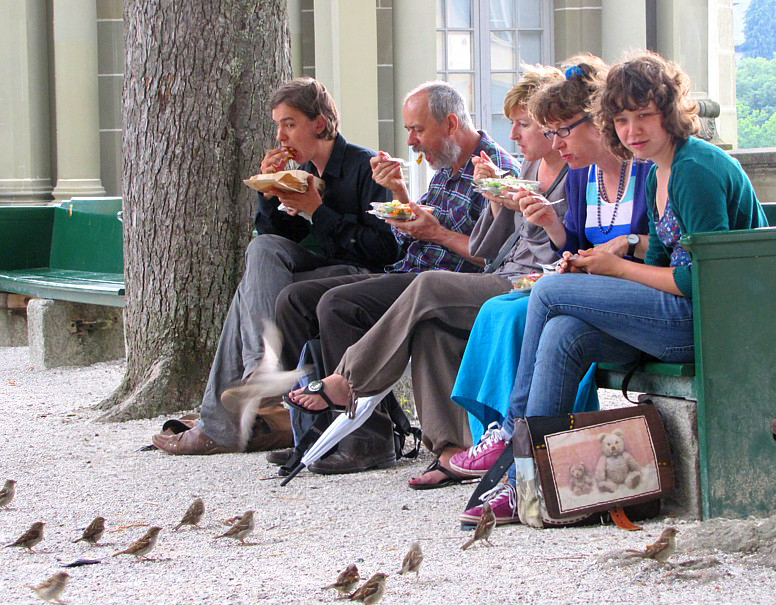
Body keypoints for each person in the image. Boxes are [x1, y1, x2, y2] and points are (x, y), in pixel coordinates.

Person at [454, 52, 767, 525]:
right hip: (688, 314)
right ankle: (541, 480)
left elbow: (698, 281)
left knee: (548, 293)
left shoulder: (694, 170)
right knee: (563, 334)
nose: (632, 130)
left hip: (717, 325)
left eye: (644, 115)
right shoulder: (663, 168)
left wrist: (612, 270)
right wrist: (600, 267)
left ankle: (515, 444)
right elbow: (661, 262)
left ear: (671, 112)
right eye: (621, 119)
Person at [282, 66, 568, 488]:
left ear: (552, 125)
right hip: (475, 274)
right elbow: (493, 245)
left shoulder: (540, 169)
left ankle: (352, 388)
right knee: (422, 324)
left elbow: (491, 255)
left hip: (505, 282)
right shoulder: (517, 167)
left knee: (409, 290)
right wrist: (486, 202)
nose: (514, 134)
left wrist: (457, 220)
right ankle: (449, 452)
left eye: (523, 124)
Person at [152, 77, 400, 455]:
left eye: (289, 123)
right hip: (312, 271)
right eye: (277, 125)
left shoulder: (363, 167)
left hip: (357, 273)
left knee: (248, 292)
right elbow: (271, 236)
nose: (281, 136)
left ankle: (222, 422)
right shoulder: (295, 171)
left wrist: (319, 210)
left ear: (319, 123)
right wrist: (270, 194)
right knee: (262, 252)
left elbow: (382, 249)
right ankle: (259, 372)